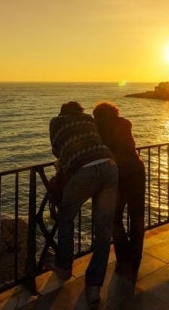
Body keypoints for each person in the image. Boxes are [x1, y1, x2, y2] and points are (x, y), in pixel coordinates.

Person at [48, 101, 118, 306]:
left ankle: (63, 265)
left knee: (66, 218)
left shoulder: (56, 122)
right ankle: (94, 287)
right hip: (109, 166)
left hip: (83, 172)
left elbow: (56, 150)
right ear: (80, 111)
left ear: (62, 112)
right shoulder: (88, 119)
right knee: (104, 230)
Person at [92, 102, 146, 278]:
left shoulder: (97, 127)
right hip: (137, 170)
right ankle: (136, 260)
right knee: (137, 217)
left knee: (115, 218)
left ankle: (124, 259)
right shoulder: (125, 123)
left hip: (116, 173)